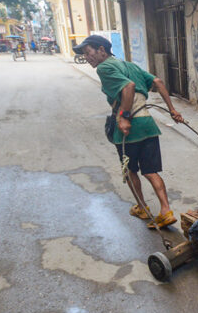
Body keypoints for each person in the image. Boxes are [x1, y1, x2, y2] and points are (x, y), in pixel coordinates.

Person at [73, 35, 184, 229]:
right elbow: (157, 82)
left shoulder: (104, 67)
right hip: (148, 124)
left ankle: (142, 207)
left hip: (129, 129)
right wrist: (173, 110)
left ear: (102, 50)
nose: (87, 57)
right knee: (151, 171)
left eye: (88, 52)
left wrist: (124, 117)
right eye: (84, 55)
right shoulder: (130, 65)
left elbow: (128, 87)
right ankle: (166, 211)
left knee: (131, 169)